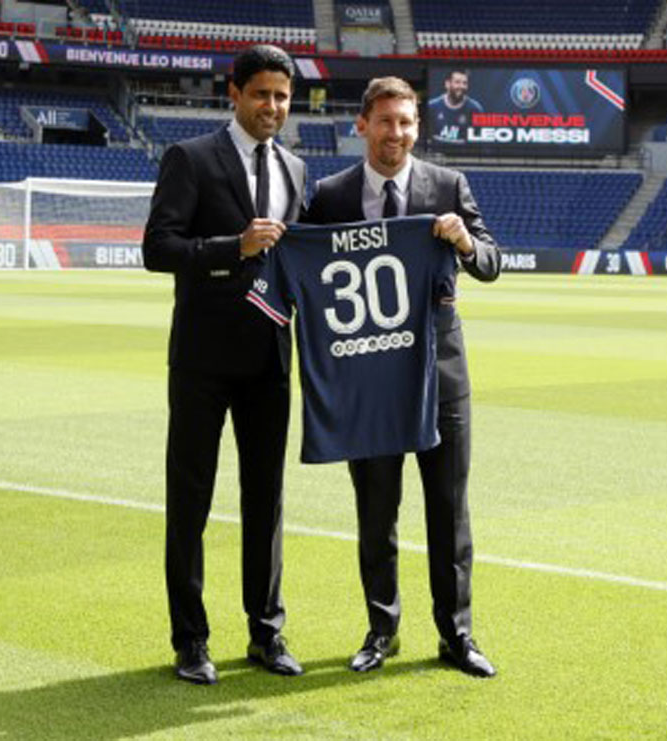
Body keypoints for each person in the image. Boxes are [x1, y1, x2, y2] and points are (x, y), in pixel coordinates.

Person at [305, 76, 500, 678]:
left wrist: (465, 241)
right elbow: (309, 271)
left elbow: (492, 262)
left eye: (408, 122)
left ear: (419, 126)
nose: (398, 133)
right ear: (362, 125)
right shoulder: (331, 195)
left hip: (441, 378)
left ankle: (457, 635)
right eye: (386, 121)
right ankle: (381, 631)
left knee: (449, 510)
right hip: (369, 383)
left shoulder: (447, 185)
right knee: (376, 511)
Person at [141, 44, 307, 685]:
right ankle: (191, 640)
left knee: (266, 501)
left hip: (270, 359)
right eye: (262, 94)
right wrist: (231, 248)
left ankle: (266, 633)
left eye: (282, 97)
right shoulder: (191, 158)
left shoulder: (294, 166)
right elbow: (158, 248)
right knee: (191, 502)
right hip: (203, 362)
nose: (272, 107)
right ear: (232, 94)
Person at [428, 69, 483, 145]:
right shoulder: (432, 106)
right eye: (457, 82)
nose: (461, 86)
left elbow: (477, 141)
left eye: (465, 83)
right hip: (436, 155)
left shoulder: (475, 109)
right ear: (447, 84)